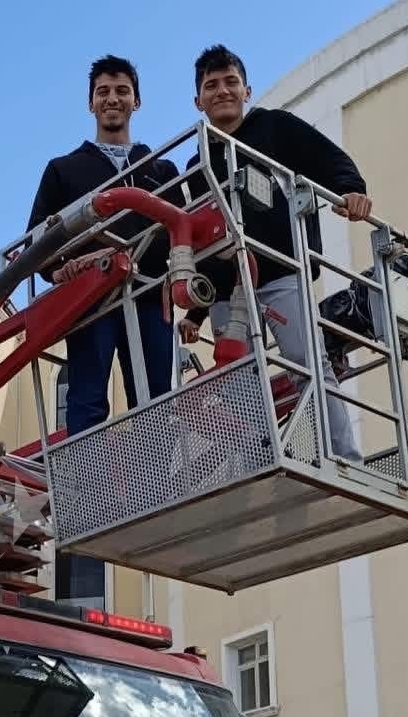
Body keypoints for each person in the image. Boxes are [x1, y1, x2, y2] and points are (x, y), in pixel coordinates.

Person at [178, 44, 370, 463]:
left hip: (279, 270)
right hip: (228, 288)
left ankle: (343, 458)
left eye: (231, 82)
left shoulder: (274, 129)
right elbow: (199, 235)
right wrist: (194, 312)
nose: (222, 91)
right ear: (198, 101)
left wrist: (350, 189)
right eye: (212, 85)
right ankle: (255, 461)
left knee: (307, 361)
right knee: (238, 377)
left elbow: (327, 158)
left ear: (247, 90)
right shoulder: (197, 164)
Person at [26, 54, 186, 438]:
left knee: (155, 398)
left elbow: (182, 229)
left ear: (137, 101)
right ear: (91, 103)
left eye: (122, 91)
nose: (112, 99)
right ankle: (85, 492)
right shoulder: (63, 169)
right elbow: (37, 241)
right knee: (87, 397)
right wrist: (60, 269)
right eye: (103, 92)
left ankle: (157, 488)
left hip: (149, 294)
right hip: (89, 298)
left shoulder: (161, 169)